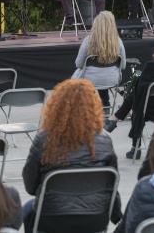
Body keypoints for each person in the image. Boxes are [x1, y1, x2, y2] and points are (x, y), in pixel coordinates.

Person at [22, 80, 120, 233]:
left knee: (28, 207)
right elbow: (111, 185)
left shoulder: (44, 140)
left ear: (56, 107)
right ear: (93, 108)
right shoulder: (105, 141)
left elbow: (30, 187)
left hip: (52, 219)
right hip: (95, 220)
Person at [71, 11, 127, 106]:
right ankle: (106, 105)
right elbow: (123, 66)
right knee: (102, 77)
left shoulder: (88, 41)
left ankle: (89, 107)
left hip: (90, 79)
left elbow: (79, 64)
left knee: (83, 76)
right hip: (112, 79)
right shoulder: (118, 41)